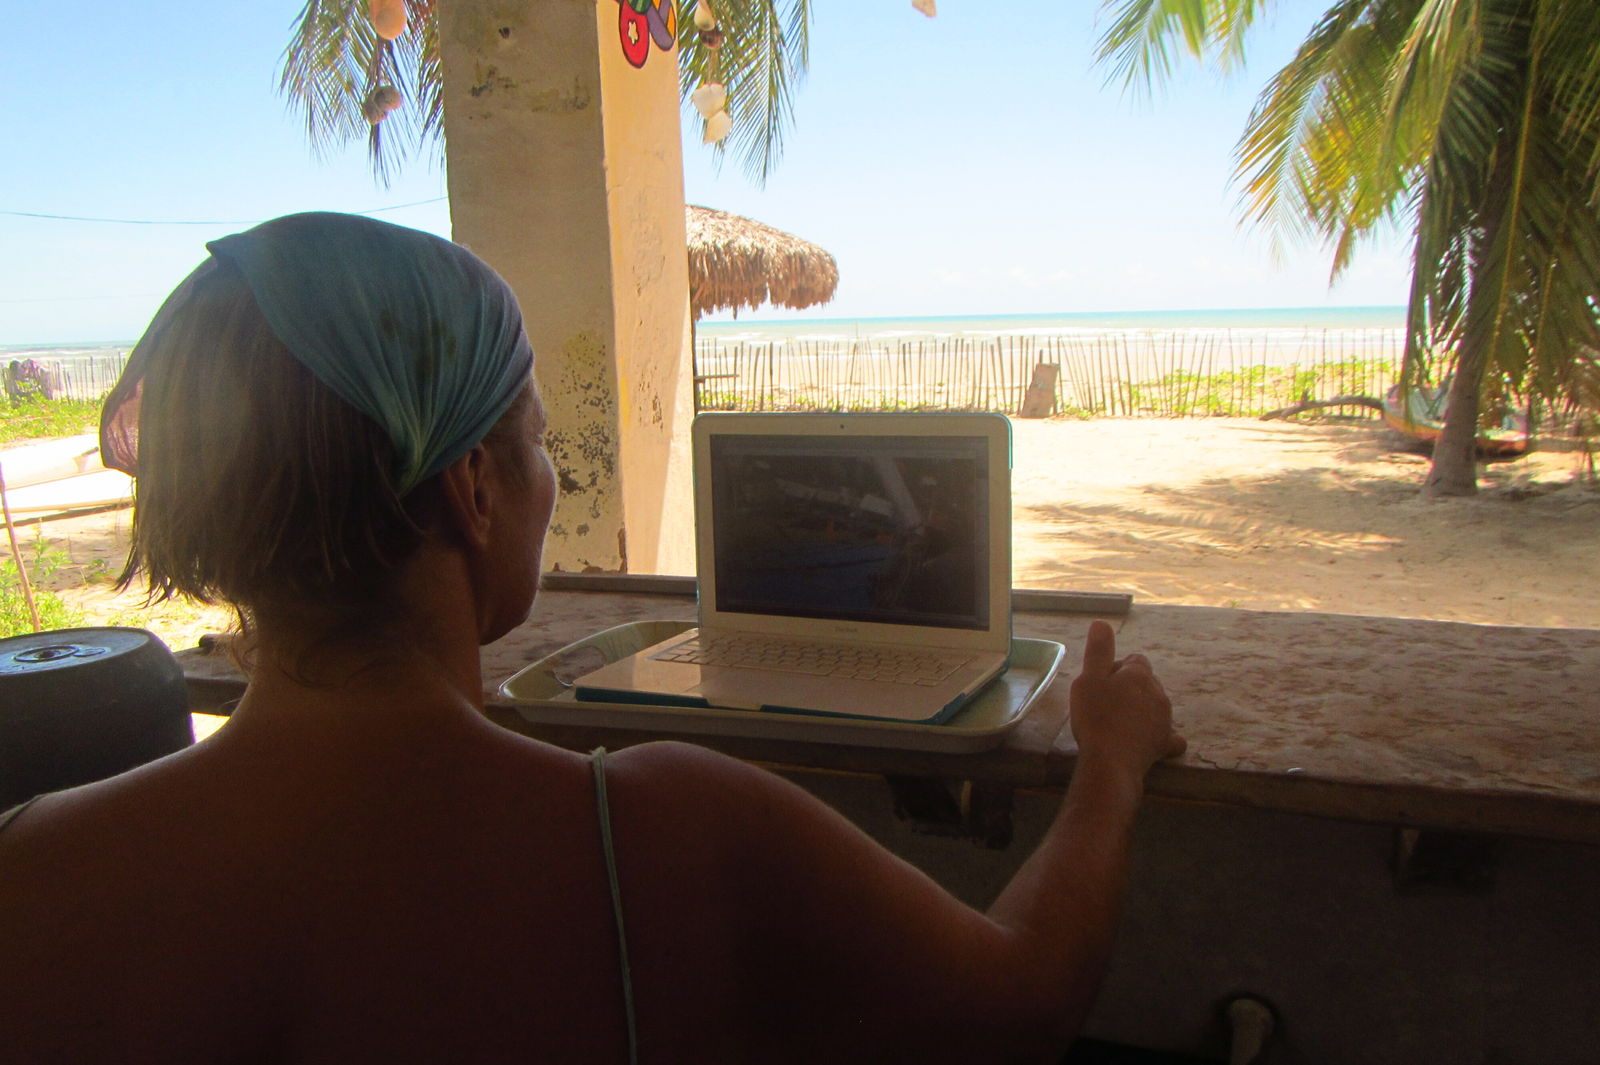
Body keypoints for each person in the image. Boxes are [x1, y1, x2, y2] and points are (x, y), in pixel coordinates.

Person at [0, 212, 1184, 1064]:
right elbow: (1027, 998)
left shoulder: (38, 863)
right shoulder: (665, 833)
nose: (546, 478)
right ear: (471, 487)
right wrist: (1110, 767)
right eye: (535, 440)